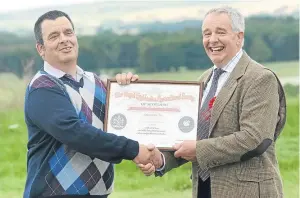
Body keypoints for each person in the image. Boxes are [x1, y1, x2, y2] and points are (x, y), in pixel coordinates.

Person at [137, 6, 286, 198]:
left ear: (239, 37)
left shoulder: (259, 78)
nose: (212, 40)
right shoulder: (203, 80)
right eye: (206, 34)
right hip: (204, 190)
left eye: (220, 32)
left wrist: (198, 150)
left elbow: (255, 139)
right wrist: (161, 159)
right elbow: (190, 135)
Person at [23, 10, 163, 198]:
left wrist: (127, 93)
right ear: (41, 49)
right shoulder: (42, 87)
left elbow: (122, 123)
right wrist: (134, 150)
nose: (64, 39)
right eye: (54, 36)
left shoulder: (96, 82)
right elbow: (76, 133)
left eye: (68, 32)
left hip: (99, 193)